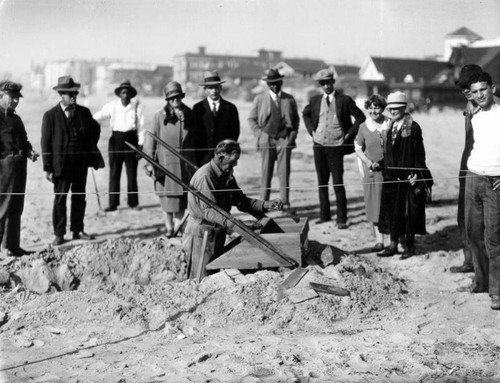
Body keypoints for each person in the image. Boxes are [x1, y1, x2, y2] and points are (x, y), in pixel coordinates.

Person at [183, 139, 283, 279]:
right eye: (233, 160)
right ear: (221, 156)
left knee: (214, 275)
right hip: (202, 233)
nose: (235, 164)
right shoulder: (206, 177)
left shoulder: (226, 173)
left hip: (217, 231)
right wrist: (238, 225)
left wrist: (266, 204)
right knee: (201, 277)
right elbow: (210, 212)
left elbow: (240, 201)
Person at [41, 76, 103, 246]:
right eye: (70, 94)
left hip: (80, 164)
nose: (74, 96)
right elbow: (45, 143)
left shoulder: (84, 112)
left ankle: (77, 230)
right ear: (61, 95)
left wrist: (89, 148)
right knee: (60, 199)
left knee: (79, 197)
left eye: (75, 93)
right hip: (61, 166)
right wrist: (48, 167)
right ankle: (59, 233)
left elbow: (95, 129)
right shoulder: (50, 116)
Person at [302, 69, 366, 228]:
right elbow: (305, 114)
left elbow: (360, 117)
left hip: (336, 147)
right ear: (320, 85)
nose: (326, 86)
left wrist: (349, 134)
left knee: (337, 183)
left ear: (333, 82)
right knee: (322, 182)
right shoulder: (315, 100)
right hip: (319, 146)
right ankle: (324, 216)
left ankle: (341, 219)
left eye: (328, 82)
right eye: (323, 83)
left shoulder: (344, 100)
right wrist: (311, 130)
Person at [377, 91, 431, 259]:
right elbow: (388, 154)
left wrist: (416, 173)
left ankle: (409, 247)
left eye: (396, 108)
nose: (393, 111)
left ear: (404, 108)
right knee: (392, 212)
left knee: (409, 214)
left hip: (408, 178)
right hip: (391, 177)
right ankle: (393, 245)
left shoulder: (413, 127)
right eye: (390, 108)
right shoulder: (388, 127)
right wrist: (379, 164)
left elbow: (419, 154)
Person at [464, 71, 500, 310]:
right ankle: (481, 282)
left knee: (494, 240)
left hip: (495, 183)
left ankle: (497, 292)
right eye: (475, 91)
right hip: (473, 177)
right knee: (473, 234)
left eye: (483, 89)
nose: (479, 95)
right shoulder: (474, 113)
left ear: (492, 88)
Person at [143, 81, 198, 237]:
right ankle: (168, 227)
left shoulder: (190, 114)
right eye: (171, 97)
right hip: (166, 165)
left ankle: (178, 227)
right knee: (167, 198)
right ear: (167, 100)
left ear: (181, 96)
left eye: (177, 96)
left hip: (186, 165)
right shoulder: (159, 117)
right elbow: (149, 142)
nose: (175, 100)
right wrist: (149, 163)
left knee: (181, 198)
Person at [248, 68, 299, 211]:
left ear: (281, 82)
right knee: (266, 172)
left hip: (284, 138)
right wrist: (260, 135)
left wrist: (291, 137)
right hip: (267, 138)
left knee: (284, 172)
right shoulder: (259, 98)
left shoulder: (289, 99)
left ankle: (285, 203)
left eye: (277, 83)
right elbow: (251, 119)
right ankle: (262, 204)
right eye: (271, 83)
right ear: (267, 84)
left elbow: (295, 120)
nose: (274, 86)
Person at [93, 80, 144, 212]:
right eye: (123, 92)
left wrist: (140, 145)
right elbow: (99, 116)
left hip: (131, 141)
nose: (125, 95)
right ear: (119, 94)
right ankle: (113, 204)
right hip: (116, 141)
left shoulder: (136, 107)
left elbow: (141, 128)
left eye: (127, 92)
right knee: (114, 173)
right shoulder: (112, 106)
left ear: (130, 94)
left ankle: (133, 203)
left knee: (131, 174)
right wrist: (87, 119)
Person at [0, 81, 38, 257]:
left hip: (20, 165)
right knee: (2, 208)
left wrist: (29, 151)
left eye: (17, 98)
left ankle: (12, 246)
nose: (15, 101)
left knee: (16, 206)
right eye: (12, 97)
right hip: (4, 166)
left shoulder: (16, 118)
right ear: (1, 95)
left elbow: (25, 140)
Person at [354, 95, 388, 251]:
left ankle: (394, 238)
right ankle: (379, 240)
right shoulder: (363, 126)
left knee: (388, 204)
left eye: (377, 107)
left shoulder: (389, 123)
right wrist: (367, 162)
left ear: (382, 108)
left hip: (388, 172)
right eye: (371, 108)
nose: (373, 111)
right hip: (371, 171)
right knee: (374, 205)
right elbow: (358, 148)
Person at [193, 70, 240, 165]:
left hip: (225, 156)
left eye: (216, 87)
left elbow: (235, 132)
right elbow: (194, 134)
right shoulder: (198, 108)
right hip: (203, 157)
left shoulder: (230, 108)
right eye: (210, 88)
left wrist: (227, 150)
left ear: (220, 88)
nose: (213, 91)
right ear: (205, 89)